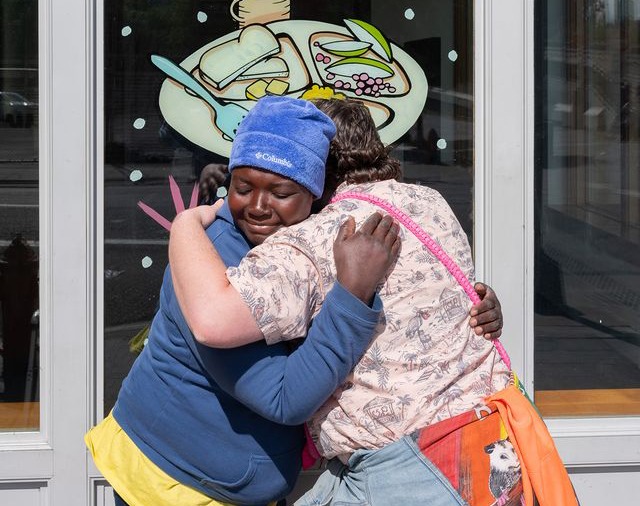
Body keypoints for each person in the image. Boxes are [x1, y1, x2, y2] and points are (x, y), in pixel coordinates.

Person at [168, 98, 515, 505]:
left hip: (409, 471)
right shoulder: (429, 202)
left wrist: (185, 225)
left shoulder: (319, 238)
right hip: (493, 442)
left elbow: (213, 319)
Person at [86, 96, 402, 506]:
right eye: (243, 187)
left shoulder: (302, 249)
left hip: (220, 477)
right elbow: (283, 396)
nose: (256, 207)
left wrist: (477, 310)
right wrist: (352, 296)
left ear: (317, 195)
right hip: (174, 480)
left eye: (281, 191)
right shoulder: (214, 259)